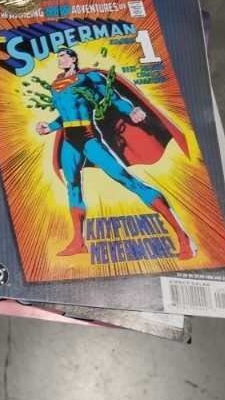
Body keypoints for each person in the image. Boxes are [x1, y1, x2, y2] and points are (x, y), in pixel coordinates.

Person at [36, 48, 194, 258]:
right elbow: (65, 115)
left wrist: (131, 110)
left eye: (64, 56)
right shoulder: (55, 85)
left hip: (88, 137)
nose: (60, 59)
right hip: (69, 142)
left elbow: (113, 98)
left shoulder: (89, 77)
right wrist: (49, 127)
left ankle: (183, 237)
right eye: (58, 57)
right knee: (72, 187)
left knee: (126, 180)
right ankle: (78, 242)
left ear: (73, 59)